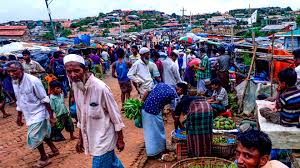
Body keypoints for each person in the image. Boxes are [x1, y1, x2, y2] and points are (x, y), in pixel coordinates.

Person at [63, 54, 125, 168]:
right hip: (92, 137)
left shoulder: (100, 88)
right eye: (69, 71)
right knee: (113, 164)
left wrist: (120, 139)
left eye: (77, 71)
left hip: (104, 139)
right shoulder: (75, 86)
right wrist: (81, 139)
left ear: (85, 70)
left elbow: (115, 116)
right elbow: (81, 116)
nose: (73, 75)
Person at [7, 61, 59, 167]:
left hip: (39, 112)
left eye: (14, 71)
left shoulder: (33, 81)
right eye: (9, 72)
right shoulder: (15, 82)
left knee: (34, 136)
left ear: (21, 70)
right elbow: (19, 99)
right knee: (42, 133)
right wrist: (19, 116)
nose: (11, 74)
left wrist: (51, 116)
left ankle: (44, 158)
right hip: (28, 113)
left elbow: (44, 99)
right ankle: (54, 149)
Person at [142, 83, 180, 158]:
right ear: (180, 89)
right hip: (153, 112)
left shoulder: (162, 84)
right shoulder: (174, 95)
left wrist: (142, 102)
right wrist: (177, 124)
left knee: (152, 131)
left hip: (145, 108)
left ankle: (159, 150)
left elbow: (147, 91)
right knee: (155, 133)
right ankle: (155, 153)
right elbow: (174, 112)